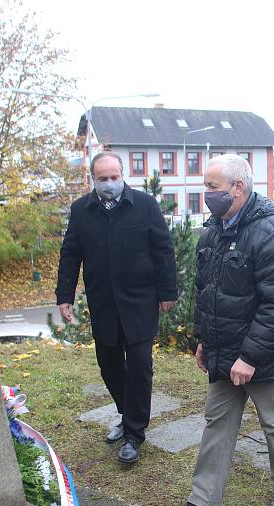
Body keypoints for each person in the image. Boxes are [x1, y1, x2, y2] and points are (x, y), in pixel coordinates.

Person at [176, 154, 274, 506]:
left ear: (238, 188)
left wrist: (249, 357)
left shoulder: (271, 233)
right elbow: (207, 293)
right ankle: (205, 500)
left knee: (273, 423)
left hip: (260, 356)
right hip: (222, 351)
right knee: (217, 421)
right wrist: (205, 341)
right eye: (206, 186)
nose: (206, 193)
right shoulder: (213, 231)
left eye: (212, 187)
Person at [55, 151, 177, 464]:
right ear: (92, 179)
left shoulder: (145, 206)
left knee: (139, 365)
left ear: (122, 176)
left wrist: (167, 292)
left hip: (140, 302)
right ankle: (126, 414)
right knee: (108, 364)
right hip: (104, 302)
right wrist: (64, 296)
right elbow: (70, 255)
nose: (109, 184)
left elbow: (164, 251)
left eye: (114, 177)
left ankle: (135, 434)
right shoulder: (81, 210)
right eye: (102, 179)